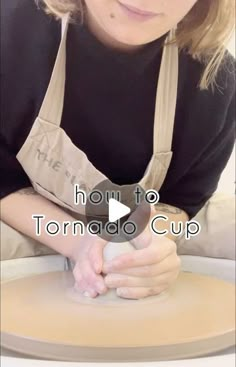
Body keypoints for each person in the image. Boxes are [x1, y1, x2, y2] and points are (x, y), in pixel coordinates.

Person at [1, 0, 235, 299]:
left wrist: (151, 251)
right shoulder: (11, 31)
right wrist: (78, 243)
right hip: (28, 212)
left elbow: (183, 201)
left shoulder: (216, 78)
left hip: (144, 214)